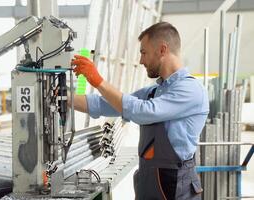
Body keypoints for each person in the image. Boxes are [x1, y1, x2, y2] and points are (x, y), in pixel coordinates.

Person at [70, 22, 209, 199]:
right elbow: (108, 104)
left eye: (144, 52)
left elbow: (144, 112)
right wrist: (66, 98)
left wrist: (98, 81)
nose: (141, 60)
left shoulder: (191, 90)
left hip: (174, 184)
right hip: (149, 180)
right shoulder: (154, 91)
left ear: (162, 50)